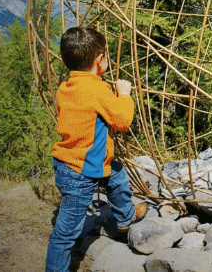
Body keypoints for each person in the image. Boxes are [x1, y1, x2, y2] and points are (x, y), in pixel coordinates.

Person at [45, 26, 146, 272]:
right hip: (81, 171)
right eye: (106, 56)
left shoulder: (66, 86)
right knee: (65, 234)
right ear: (98, 61)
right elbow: (121, 121)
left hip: (70, 161)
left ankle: (125, 217)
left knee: (117, 173)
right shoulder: (97, 90)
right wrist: (124, 95)